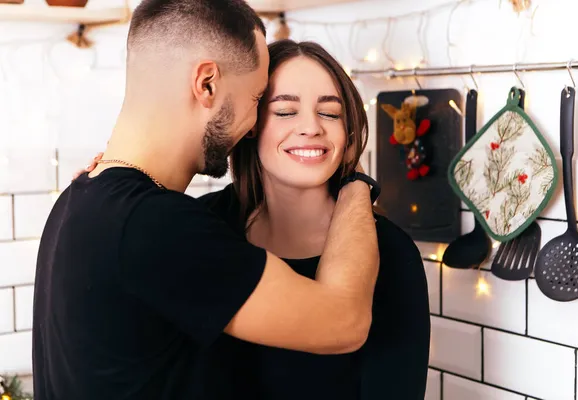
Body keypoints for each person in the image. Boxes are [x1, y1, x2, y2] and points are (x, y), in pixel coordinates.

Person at [32, 1, 381, 399]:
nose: (252, 126)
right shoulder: (157, 225)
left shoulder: (79, 199)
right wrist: (356, 183)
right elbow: (344, 321)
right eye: (257, 99)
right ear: (207, 84)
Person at [80, 40, 431, 399]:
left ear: (349, 132)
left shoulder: (389, 252)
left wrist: (356, 184)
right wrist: (110, 176)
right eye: (284, 112)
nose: (311, 127)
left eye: (330, 113)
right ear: (250, 124)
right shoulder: (201, 226)